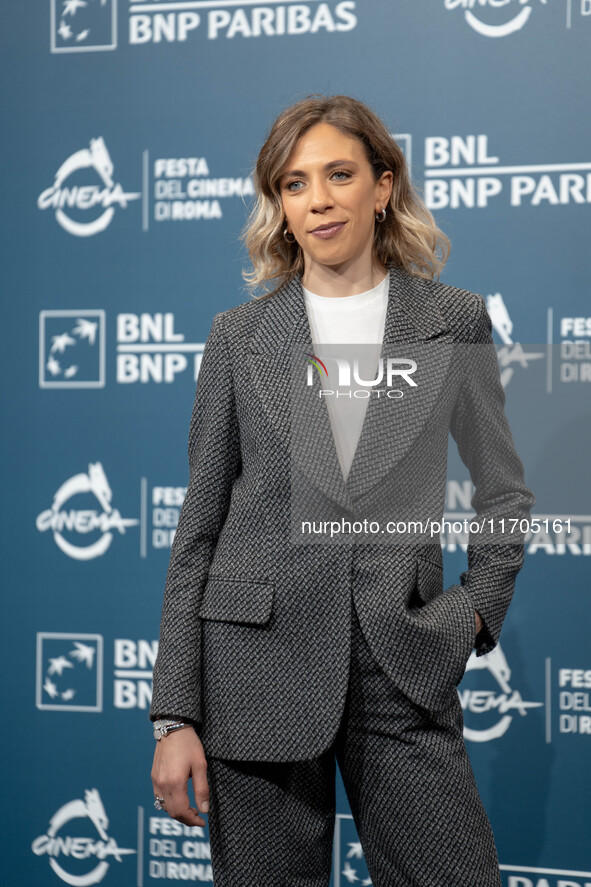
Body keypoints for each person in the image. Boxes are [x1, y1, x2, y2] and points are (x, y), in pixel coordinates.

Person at [150, 94, 534, 886]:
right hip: (254, 662)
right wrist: (173, 712)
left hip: (401, 661)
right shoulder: (239, 336)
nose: (317, 199)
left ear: (383, 184)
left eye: (338, 174)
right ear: (279, 206)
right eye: (293, 184)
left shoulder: (453, 321)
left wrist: (471, 612)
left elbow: (503, 492)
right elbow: (199, 527)